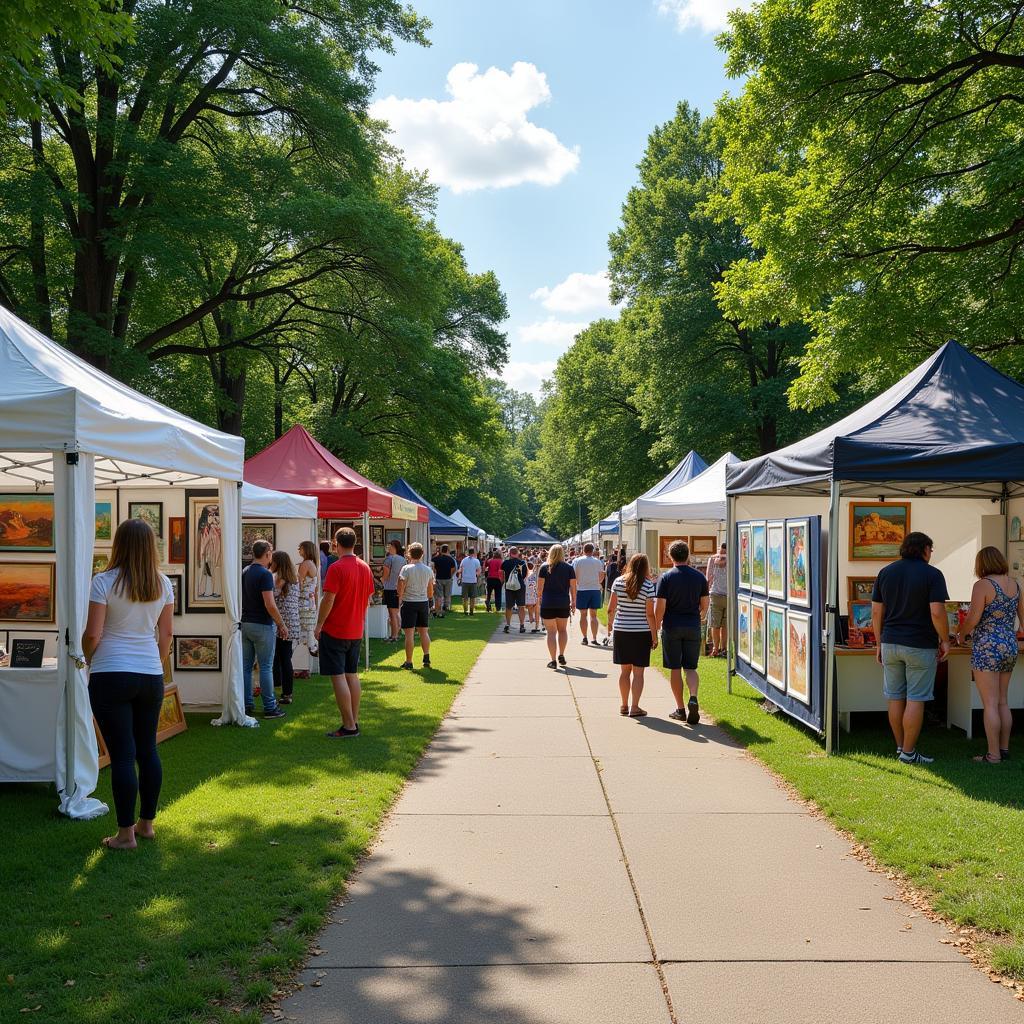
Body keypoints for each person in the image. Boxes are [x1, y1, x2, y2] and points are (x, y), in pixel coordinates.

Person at [85, 518, 174, 850]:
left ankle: (125, 835)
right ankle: (146, 825)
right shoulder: (163, 583)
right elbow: (166, 635)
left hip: (111, 673)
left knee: (122, 755)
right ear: (151, 546)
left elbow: (93, 635)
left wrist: (87, 658)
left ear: (118, 544)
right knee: (147, 750)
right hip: (149, 673)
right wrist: (156, 664)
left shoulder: (104, 581)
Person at [871, 531, 949, 764]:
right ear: (925, 549)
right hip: (920, 644)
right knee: (916, 698)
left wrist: (878, 643)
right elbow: (937, 612)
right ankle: (908, 752)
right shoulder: (933, 574)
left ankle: (900, 747)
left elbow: (876, 612)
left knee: (895, 697)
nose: (931, 554)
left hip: (890, 641)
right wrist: (945, 639)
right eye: (931, 550)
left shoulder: (885, 572)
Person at [957, 546, 1021, 763]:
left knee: (990, 704)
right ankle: (1003, 749)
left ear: (981, 564)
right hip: (1009, 645)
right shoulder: (1015, 585)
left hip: (987, 646)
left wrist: (961, 634)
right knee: (1003, 701)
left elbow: (973, 618)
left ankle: (992, 755)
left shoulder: (982, 585)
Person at [315, 528, 375, 738]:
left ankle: (349, 724)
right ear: (355, 542)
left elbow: (328, 598)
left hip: (336, 629)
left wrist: (319, 624)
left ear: (336, 543)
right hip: (355, 629)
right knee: (351, 674)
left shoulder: (336, 567)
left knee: (338, 676)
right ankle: (353, 721)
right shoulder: (365, 567)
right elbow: (368, 599)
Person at [655, 540, 709, 724]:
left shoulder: (666, 577)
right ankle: (693, 697)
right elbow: (705, 605)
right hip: (692, 625)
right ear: (688, 555)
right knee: (691, 668)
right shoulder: (699, 577)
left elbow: (660, 607)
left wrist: (656, 627)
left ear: (671, 556)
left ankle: (680, 709)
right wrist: (699, 616)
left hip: (672, 626)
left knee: (675, 668)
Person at [241, 539, 288, 719]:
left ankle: (247, 704)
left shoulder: (245, 571)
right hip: (262, 625)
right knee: (266, 667)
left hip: (245, 624)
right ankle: (270, 707)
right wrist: (281, 624)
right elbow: (269, 603)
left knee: (246, 667)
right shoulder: (265, 574)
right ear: (268, 553)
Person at [608, 553, 658, 717]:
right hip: (641, 631)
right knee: (638, 673)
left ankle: (623, 704)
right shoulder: (648, 585)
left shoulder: (618, 581)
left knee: (624, 671)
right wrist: (654, 635)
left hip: (622, 630)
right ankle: (634, 706)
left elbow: (611, 608)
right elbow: (650, 614)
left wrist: (610, 626)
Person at [537, 544, 576, 669]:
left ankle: (553, 660)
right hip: (563, 602)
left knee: (551, 632)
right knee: (563, 630)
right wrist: (574, 601)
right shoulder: (569, 568)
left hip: (548, 603)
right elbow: (573, 587)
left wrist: (539, 599)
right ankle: (562, 654)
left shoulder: (544, 567)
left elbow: (539, 589)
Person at [398, 542, 434, 669]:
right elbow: (430, 589)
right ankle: (426, 656)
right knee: (424, 632)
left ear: (409, 553)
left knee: (409, 634)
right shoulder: (428, 569)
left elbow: (401, 587)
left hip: (409, 602)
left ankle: (409, 661)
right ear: (422, 554)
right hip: (423, 602)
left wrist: (400, 598)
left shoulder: (406, 569)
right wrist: (430, 600)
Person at [271, 550, 300, 705]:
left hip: (281, 624)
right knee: (285, 659)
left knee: (278, 659)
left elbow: (271, 598)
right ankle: (286, 693)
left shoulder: (280, 580)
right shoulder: (295, 579)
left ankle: (278, 690)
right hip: (293, 622)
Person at [572, 543, 606, 646]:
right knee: (594, 616)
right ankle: (594, 638)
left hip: (582, 589)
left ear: (583, 550)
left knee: (583, 615)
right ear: (593, 551)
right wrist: (597, 582)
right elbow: (601, 576)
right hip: (595, 589)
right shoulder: (598, 562)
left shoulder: (577, 561)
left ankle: (584, 637)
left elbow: (574, 576)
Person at [297, 540, 320, 655]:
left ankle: (312, 646)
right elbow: (315, 589)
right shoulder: (313, 564)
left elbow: (298, 584)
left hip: (303, 602)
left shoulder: (305, 564)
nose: (298, 550)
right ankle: (313, 646)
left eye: (300, 548)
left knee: (300, 629)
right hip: (310, 602)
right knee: (308, 627)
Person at [705, 542, 728, 657]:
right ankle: (718, 648)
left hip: (724, 596)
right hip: (718, 595)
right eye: (721, 552)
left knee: (722, 624)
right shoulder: (713, 560)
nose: (722, 555)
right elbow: (708, 578)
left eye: (724, 552)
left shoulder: (729, 560)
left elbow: (708, 578)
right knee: (717, 624)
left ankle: (721, 648)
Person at [381, 539, 407, 642]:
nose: (388, 548)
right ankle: (396, 633)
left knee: (392, 614)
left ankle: (394, 635)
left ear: (393, 547)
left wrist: (380, 580)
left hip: (390, 588)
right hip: (399, 588)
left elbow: (385, 576)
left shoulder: (389, 559)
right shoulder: (403, 559)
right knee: (396, 613)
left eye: (389, 546)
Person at [501, 546, 529, 634]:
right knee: (521, 606)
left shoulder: (505, 563)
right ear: (517, 553)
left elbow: (501, 573)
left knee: (509, 607)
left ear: (509, 553)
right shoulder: (522, 563)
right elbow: (525, 575)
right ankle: (521, 625)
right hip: (520, 586)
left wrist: (504, 582)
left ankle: (508, 625)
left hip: (509, 586)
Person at [431, 544, 458, 617]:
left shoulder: (435, 559)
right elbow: (454, 569)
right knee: (447, 594)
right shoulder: (451, 559)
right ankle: (446, 607)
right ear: (447, 550)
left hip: (438, 578)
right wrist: (450, 575)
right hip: (448, 578)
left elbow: (433, 568)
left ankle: (438, 609)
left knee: (438, 595)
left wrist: (435, 573)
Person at [459, 547, 482, 614]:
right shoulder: (476, 561)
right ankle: (471, 611)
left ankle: (465, 610)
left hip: (465, 580)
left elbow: (461, 569)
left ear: (468, 552)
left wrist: (460, 577)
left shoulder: (464, 560)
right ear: (474, 553)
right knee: (472, 597)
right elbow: (479, 571)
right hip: (473, 581)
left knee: (465, 597)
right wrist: (475, 575)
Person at [525, 560, 540, 632]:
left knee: (530, 609)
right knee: (537, 610)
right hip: (535, 593)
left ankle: (531, 621)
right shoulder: (535, 574)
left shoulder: (525, 575)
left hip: (528, 595)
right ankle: (536, 625)